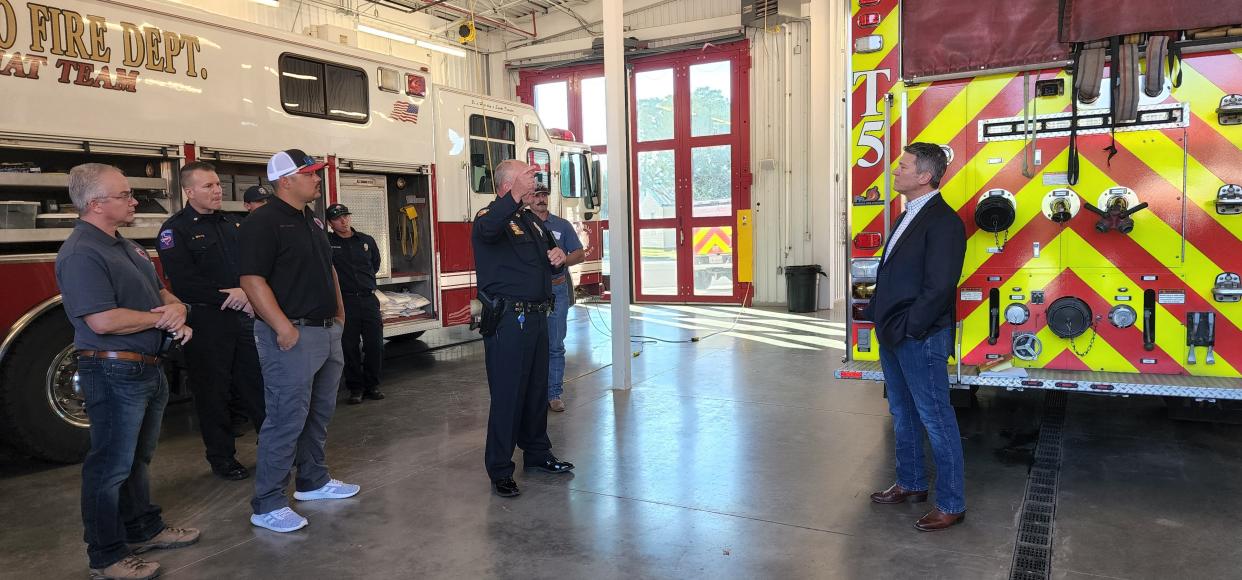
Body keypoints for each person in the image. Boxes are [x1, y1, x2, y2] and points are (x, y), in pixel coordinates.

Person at [56, 163, 200, 579]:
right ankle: (106, 556)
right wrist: (163, 320)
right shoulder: (82, 252)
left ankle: (144, 528)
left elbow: (159, 292)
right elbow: (102, 321)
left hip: (145, 370)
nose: (135, 201)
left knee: (138, 459)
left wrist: (175, 307)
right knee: (109, 467)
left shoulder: (126, 246)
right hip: (114, 372)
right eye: (125, 195)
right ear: (96, 203)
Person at [239, 149, 359, 533]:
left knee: (318, 413)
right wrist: (282, 327)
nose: (317, 179)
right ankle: (268, 503)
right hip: (292, 335)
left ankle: (312, 481)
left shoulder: (310, 220)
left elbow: (329, 272)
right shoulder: (264, 222)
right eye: (309, 174)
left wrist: (339, 314)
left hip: (325, 331)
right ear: (286, 180)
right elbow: (251, 280)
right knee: (286, 418)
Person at [861, 142, 968, 532]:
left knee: (936, 418)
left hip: (918, 336)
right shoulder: (909, 214)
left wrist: (910, 327)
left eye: (903, 166)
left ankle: (952, 503)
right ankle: (910, 483)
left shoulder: (943, 222)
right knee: (902, 413)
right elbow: (895, 272)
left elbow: (939, 287)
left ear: (925, 175)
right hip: (894, 332)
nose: (895, 170)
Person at [157, 162, 265, 481]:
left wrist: (245, 293)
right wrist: (230, 295)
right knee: (213, 392)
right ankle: (222, 458)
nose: (217, 190)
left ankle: (276, 448)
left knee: (256, 385)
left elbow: (249, 266)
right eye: (208, 186)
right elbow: (183, 283)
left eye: (218, 185)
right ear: (189, 192)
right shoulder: (174, 230)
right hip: (206, 321)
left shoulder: (230, 224)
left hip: (242, 317)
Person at [473, 160, 575, 498]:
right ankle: (500, 468)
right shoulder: (490, 217)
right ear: (508, 183)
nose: (533, 179)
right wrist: (515, 196)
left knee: (535, 391)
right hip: (508, 321)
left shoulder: (530, 220)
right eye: (525, 175)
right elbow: (489, 232)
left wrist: (559, 253)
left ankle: (537, 453)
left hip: (537, 317)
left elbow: (549, 254)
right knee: (508, 395)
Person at [527, 187, 585, 412]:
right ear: (528, 198)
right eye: (536, 195)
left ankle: (553, 394)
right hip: (530, 292)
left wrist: (564, 261)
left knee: (555, 344)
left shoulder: (561, 225)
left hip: (556, 292)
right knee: (531, 345)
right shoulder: (522, 224)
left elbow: (580, 253)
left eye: (544, 195)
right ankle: (533, 394)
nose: (541, 199)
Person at [326, 203, 386, 405]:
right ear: (330, 223)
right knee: (349, 347)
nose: (343, 221)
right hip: (346, 301)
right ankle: (356, 389)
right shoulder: (327, 243)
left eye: (346, 216)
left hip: (368, 299)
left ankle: (373, 385)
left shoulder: (366, 241)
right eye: (337, 218)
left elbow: (375, 264)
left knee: (375, 345)